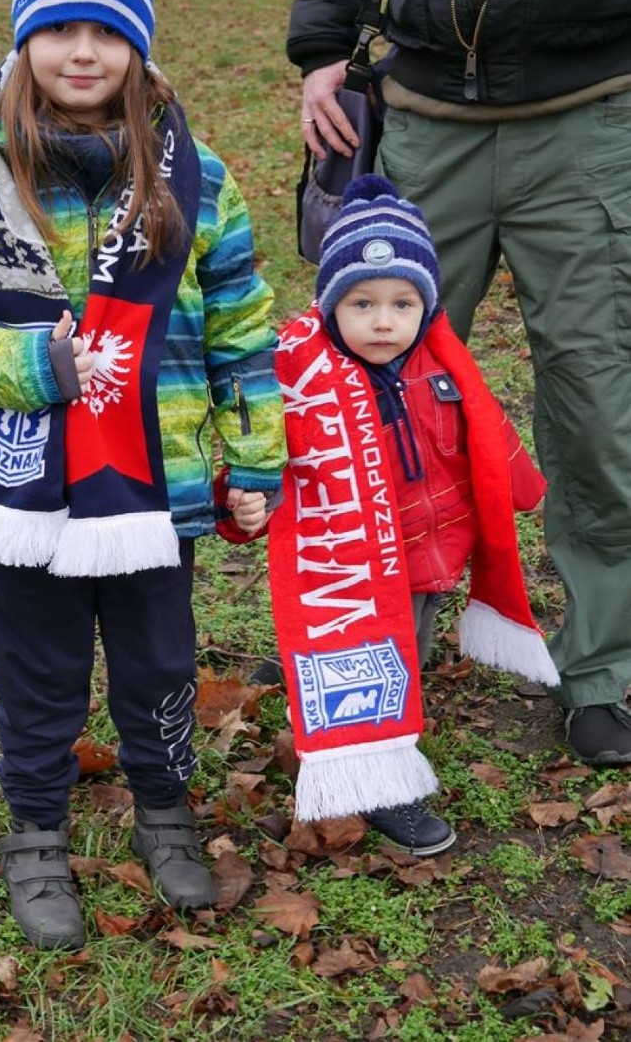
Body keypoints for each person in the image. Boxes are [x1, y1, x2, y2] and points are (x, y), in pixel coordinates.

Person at [0, 0, 287, 950]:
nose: (82, 51)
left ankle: (165, 809)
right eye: (59, 29)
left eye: (107, 31)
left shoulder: (200, 181)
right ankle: (35, 831)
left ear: (138, 45)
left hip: (155, 487)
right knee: (37, 669)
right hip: (22, 484)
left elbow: (246, 330)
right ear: (24, 41)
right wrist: (28, 366)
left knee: (160, 664)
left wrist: (254, 457)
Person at [287, 0, 631, 765]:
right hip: (425, 117)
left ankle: (601, 674)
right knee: (375, 403)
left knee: (600, 407)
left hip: (592, 118)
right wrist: (322, 48)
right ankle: (372, 642)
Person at [223, 175, 559, 856]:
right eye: (363, 302)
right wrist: (242, 502)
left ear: (427, 307)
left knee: (407, 654)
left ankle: (359, 720)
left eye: (403, 303)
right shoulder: (301, 386)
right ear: (329, 306)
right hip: (349, 568)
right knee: (369, 658)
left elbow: (486, 441)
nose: (384, 321)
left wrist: (523, 487)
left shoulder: (444, 370)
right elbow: (254, 459)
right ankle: (380, 785)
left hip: (433, 555)